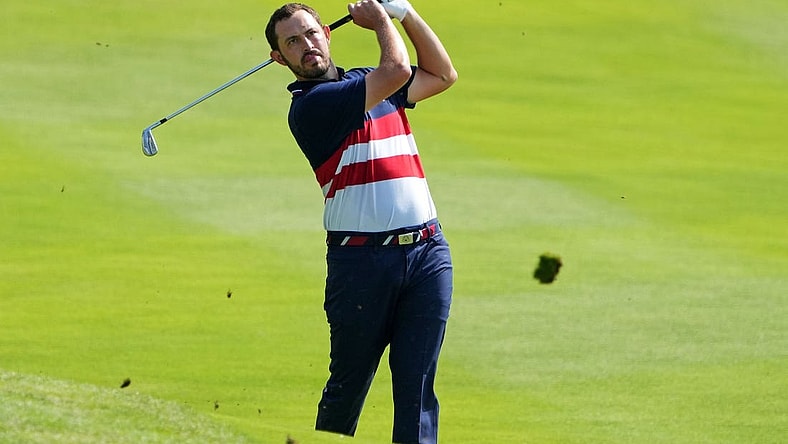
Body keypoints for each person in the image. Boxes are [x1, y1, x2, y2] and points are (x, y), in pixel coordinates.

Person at [265, 1, 457, 442]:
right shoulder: (312, 105)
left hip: (428, 253)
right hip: (362, 264)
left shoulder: (363, 83)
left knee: (417, 391)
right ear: (280, 59)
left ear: (328, 34)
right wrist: (382, 21)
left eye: (311, 33)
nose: (307, 45)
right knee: (347, 388)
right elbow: (395, 69)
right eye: (292, 42)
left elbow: (443, 75)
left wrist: (407, 14)